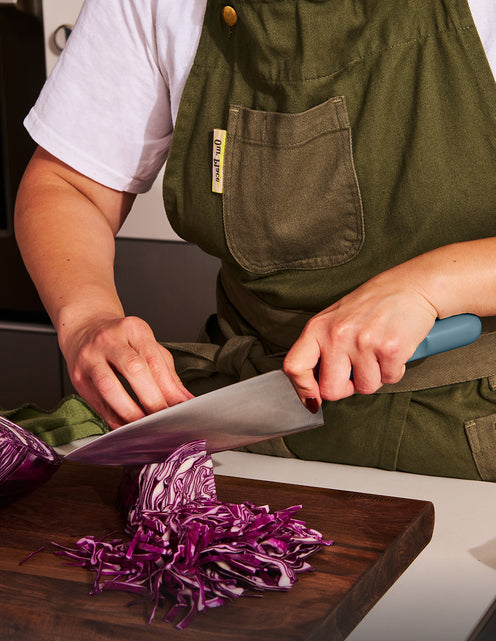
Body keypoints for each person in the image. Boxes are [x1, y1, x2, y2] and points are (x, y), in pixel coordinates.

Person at [13, 0, 496, 480]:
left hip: (465, 425)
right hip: (250, 415)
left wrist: (428, 288)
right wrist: (86, 317)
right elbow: (69, 187)